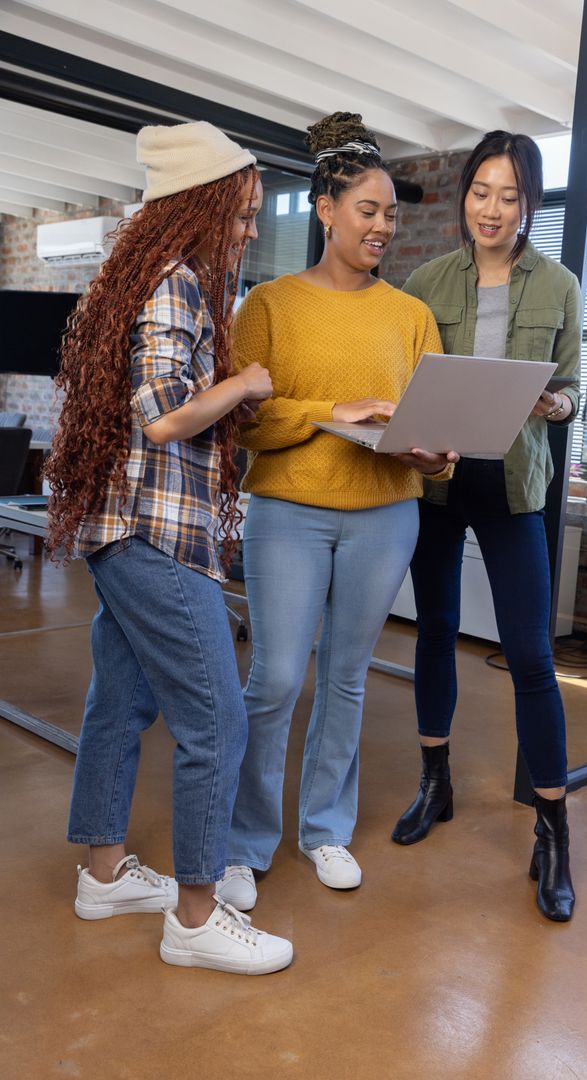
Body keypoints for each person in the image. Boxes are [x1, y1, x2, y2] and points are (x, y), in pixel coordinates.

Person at [44, 120, 293, 974]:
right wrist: (247, 382)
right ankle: (195, 917)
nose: (250, 230)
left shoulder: (143, 277)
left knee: (119, 703)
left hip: (120, 534)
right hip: (155, 538)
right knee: (217, 720)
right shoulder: (179, 282)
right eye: (243, 213)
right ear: (203, 204)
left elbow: (163, 405)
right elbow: (162, 414)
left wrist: (229, 401)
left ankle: (104, 874)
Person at [216, 112, 457, 910]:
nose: (384, 226)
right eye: (369, 210)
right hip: (289, 510)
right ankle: (244, 843)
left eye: (392, 214)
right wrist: (334, 410)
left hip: (387, 514)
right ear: (326, 210)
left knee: (347, 679)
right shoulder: (272, 305)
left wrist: (434, 452)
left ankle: (324, 830)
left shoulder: (411, 316)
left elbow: (435, 421)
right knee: (278, 676)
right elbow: (244, 420)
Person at [390, 131, 581, 923]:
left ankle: (554, 832)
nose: (491, 209)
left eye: (508, 195)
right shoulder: (426, 280)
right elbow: (405, 380)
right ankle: (435, 783)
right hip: (437, 482)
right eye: (480, 192)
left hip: (512, 485)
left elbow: (572, 389)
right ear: (465, 195)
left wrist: (556, 404)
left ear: (530, 203)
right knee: (434, 630)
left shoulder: (559, 285)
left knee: (531, 657)